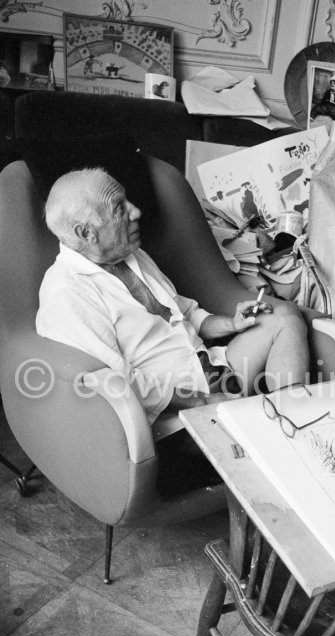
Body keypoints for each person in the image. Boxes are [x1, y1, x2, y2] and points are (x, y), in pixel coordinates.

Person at [36, 167, 310, 493]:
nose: (136, 212)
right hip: (172, 419)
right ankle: (287, 451)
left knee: (286, 319)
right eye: (120, 209)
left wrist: (231, 324)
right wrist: (204, 402)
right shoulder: (67, 292)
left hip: (213, 370)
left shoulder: (132, 255)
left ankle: (292, 427)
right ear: (86, 232)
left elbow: (183, 313)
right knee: (265, 446)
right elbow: (121, 383)